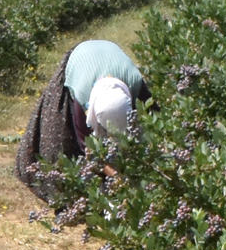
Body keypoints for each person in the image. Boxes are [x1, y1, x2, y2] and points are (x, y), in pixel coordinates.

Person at [15, 37, 146, 204]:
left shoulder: (137, 85)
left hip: (110, 53)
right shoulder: (81, 97)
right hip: (81, 58)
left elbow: (154, 124)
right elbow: (88, 149)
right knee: (58, 147)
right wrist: (116, 177)